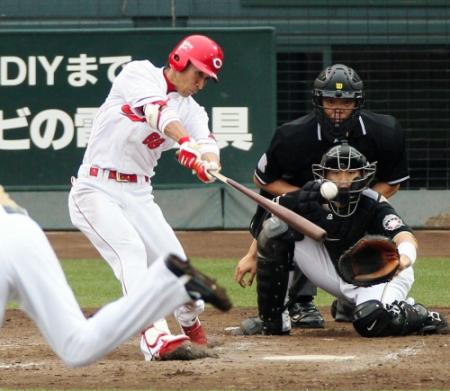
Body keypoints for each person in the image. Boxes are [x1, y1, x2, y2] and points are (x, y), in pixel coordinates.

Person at [68, 34, 224, 361]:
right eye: (199, 74)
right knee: (130, 249)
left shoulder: (192, 109)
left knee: (179, 272)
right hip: (94, 188)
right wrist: (185, 143)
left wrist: (207, 165)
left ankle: (189, 323)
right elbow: (157, 112)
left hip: (139, 193)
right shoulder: (138, 73)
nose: (201, 83)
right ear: (180, 61)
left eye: (207, 78)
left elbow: (208, 145)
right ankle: (153, 336)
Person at [235, 63, 409, 330]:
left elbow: (392, 183)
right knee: (287, 227)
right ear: (318, 102)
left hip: (360, 212)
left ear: (358, 103)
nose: (337, 110)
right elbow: (264, 181)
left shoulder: (385, 131)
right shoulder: (292, 135)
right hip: (305, 206)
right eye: (330, 101)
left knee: (365, 242)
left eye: (346, 102)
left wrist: (356, 204)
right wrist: (309, 200)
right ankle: (299, 302)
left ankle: (352, 299)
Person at [0, 186, 231, 367]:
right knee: (76, 344)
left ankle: (164, 300)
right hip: (23, 230)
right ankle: (171, 285)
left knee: (77, 346)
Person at [253, 144, 448, 336]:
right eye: (336, 173)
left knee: (371, 322)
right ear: (324, 175)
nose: (344, 180)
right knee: (277, 228)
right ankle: (273, 320)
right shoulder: (307, 198)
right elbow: (271, 222)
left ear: (363, 175)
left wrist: (405, 257)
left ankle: (419, 314)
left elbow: (404, 235)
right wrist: (251, 256)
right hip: (334, 271)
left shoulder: (373, 201)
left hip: (382, 275)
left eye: (351, 172)